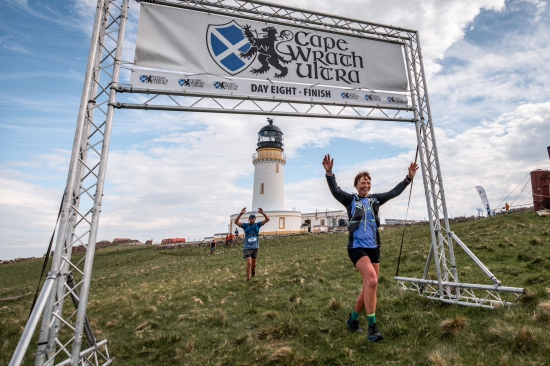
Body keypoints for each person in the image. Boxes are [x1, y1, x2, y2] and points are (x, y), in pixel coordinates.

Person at [322, 154, 418, 343]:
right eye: (362, 183)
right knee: (372, 281)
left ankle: (353, 320)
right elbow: (335, 190)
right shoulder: (350, 200)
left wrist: (409, 178)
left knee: (369, 285)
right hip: (357, 248)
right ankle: (372, 327)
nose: (366, 185)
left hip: (374, 247)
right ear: (356, 185)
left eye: (368, 182)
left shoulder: (375, 200)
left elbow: (393, 192)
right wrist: (329, 173)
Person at [235, 207, 270, 281]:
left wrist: (263, 213)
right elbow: (236, 222)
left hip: (255, 247)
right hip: (247, 247)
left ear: (255, 219)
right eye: (251, 219)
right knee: (249, 262)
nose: (252, 220)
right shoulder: (245, 225)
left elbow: (267, 220)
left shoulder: (257, 225)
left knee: (254, 265)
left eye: (253, 219)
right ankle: (248, 278)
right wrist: (240, 214)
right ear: (249, 219)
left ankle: (253, 269)